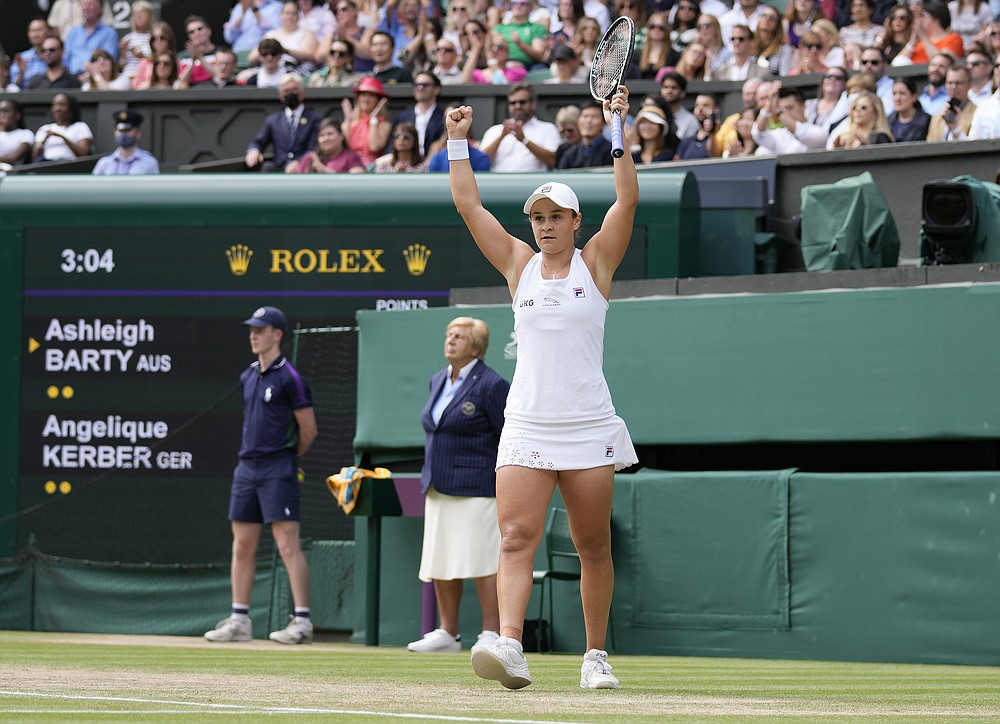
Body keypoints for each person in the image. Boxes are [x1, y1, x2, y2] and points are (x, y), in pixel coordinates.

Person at [447, 84, 638, 691]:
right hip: (528, 423)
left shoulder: (598, 262)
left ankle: (595, 657)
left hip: (587, 422)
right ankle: (509, 645)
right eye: (539, 217)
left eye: (557, 217)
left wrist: (617, 129)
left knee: (592, 545)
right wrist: (457, 142)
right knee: (515, 537)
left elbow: (627, 199)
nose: (547, 225)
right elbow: (469, 206)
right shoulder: (518, 263)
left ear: (576, 221)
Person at [204, 306, 318, 645]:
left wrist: (284, 459)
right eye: (251, 329)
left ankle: (302, 623)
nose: (253, 335)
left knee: (286, 544)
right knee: (242, 545)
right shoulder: (248, 376)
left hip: (277, 468)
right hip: (246, 468)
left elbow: (308, 431)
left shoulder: (291, 379)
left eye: (260, 329)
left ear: (277, 334)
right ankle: (239, 621)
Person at [405, 317, 508, 655]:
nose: (450, 341)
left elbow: (506, 437)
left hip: (478, 487)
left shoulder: (492, 384)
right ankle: (448, 633)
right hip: (437, 485)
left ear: (476, 347)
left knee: (482, 561)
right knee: (442, 559)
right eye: (448, 334)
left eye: (459, 337)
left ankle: (491, 631)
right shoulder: (437, 380)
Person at [246, 74, 323, 172]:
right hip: (279, 169)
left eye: (294, 90)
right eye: (286, 91)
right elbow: (259, 141)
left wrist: (299, 162)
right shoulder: (273, 120)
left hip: (304, 169)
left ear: (302, 93)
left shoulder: (315, 119)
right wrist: (254, 150)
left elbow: (313, 147)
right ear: (281, 96)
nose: (291, 93)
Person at [479, 83, 562, 172]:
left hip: (534, 183)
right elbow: (480, 161)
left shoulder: (548, 129)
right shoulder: (495, 130)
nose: (517, 106)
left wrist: (524, 140)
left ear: (533, 104)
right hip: (497, 183)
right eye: (513, 103)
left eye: (522, 102)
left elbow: (552, 160)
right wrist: (501, 137)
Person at [753, 84, 830, 154]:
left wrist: (778, 112)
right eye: (782, 109)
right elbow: (759, 134)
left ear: (804, 105)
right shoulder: (780, 135)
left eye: (790, 108)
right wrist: (769, 105)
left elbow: (801, 132)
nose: (786, 113)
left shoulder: (818, 131)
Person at [251, 1, 319, 73]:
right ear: (281, 16)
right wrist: (268, 52)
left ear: (299, 16)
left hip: (295, 70)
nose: (290, 17)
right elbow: (252, 59)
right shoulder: (270, 34)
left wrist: (284, 51)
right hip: (268, 69)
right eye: (287, 13)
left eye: (294, 13)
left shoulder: (306, 33)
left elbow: (310, 55)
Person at [341, 75, 391, 167]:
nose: (366, 99)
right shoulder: (352, 121)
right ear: (358, 98)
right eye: (363, 95)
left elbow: (374, 147)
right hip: (351, 165)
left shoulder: (384, 124)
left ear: (378, 100)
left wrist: (373, 119)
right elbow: (345, 148)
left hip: (372, 167)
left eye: (371, 96)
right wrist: (347, 119)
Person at [92, 109, 160, 175]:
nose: (123, 134)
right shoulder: (105, 162)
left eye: (128, 130)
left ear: (138, 133)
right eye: (120, 130)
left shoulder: (149, 162)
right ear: (115, 132)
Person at [392, 71, 444, 158]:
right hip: (406, 165)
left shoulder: (444, 116)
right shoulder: (402, 117)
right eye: (417, 85)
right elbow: (392, 145)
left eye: (425, 85)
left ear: (436, 89)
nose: (420, 88)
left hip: (435, 165)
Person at [287, 117, 366, 172]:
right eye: (322, 136)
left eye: (330, 134)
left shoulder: (351, 157)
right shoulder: (309, 158)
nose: (326, 138)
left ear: (341, 136)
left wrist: (323, 170)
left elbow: (355, 182)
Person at [427, 104, 492, 172]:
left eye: (454, 117)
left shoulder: (480, 158)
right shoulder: (437, 157)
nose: (450, 121)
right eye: (446, 118)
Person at [63, 0, 119, 78]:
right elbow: (65, 59)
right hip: (71, 78)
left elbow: (108, 61)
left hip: (96, 78)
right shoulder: (73, 32)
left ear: (100, 9)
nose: (86, 7)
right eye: (84, 4)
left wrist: (89, 75)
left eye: (90, 4)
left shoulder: (109, 33)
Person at [927, 64, 978, 141]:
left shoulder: (977, 112)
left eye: (959, 83)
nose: (954, 87)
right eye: (950, 83)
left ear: (970, 84)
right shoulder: (937, 118)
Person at [557, 102, 613, 169]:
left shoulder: (611, 151)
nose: (588, 121)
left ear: (603, 123)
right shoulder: (570, 153)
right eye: (585, 116)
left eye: (594, 117)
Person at [495, 0, 549, 67]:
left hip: (524, 64)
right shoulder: (500, 28)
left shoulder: (537, 28)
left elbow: (539, 55)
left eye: (523, 3)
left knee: (510, 65)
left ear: (531, 8)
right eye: (514, 3)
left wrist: (519, 43)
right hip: (500, 62)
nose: (518, 5)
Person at [675, 93, 723, 158]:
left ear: (716, 109)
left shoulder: (723, 135)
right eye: (697, 105)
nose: (699, 109)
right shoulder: (687, 141)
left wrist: (712, 133)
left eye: (705, 105)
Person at [633, 13, 680, 79]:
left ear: (667, 30)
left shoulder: (673, 55)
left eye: (661, 28)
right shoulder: (637, 54)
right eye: (653, 26)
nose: (656, 29)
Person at [178, 15, 221, 87]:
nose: (196, 33)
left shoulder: (221, 53)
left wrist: (200, 58)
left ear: (209, 30)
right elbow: (181, 83)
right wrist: (193, 60)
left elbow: (220, 77)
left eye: (200, 29)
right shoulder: (183, 58)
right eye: (192, 32)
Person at [131, 21, 175, 89]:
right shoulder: (145, 62)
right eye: (154, 39)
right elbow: (136, 87)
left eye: (162, 38)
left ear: (169, 40)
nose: (158, 41)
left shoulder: (175, 61)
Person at [12, 17, 52, 89]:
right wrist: (21, 73)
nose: (35, 34)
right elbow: (13, 87)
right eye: (32, 31)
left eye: (39, 30)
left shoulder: (56, 53)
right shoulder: (22, 58)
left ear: (48, 31)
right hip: (26, 97)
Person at [752, 6, 793, 77]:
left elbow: (784, 76)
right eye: (764, 15)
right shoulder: (748, 44)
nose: (767, 19)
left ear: (777, 24)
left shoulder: (783, 49)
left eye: (772, 18)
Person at [888, 77, 932, 142]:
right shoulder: (889, 121)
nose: (897, 98)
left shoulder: (926, 121)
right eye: (894, 93)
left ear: (914, 97)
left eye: (902, 93)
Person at [119, 1, 154, 80]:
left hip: (147, 76)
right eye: (135, 13)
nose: (138, 16)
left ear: (150, 15)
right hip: (128, 76)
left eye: (141, 12)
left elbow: (156, 59)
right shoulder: (128, 38)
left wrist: (141, 56)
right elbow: (122, 66)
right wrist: (123, 51)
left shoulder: (155, 36)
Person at [47, 0, 114, 41]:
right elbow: (53, 28)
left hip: (95, 46)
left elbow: (108, 24)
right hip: (64, 46)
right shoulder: (60, 3)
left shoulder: (99, 1)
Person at [659, 73, 699, 139]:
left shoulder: (690, 121)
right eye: (665, 87)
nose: (669, 91)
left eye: (674, 88)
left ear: (682, 93)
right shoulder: (654, 116)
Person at [969, 58, 1000, 138]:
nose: (999, 69)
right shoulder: (984, 106)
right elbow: (973, 143)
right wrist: (956, 129)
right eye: (997, 66)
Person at [858, 46, 895, 113]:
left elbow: (886, 113)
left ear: (885, 66)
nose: (868, 66)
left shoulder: (892, 87)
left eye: (874, 62)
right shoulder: (853, 86)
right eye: (864, 62)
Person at [0, 100, 34, 170]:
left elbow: (14, 157)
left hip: (12, 173)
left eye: (5, 111)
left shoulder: (26, 134)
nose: (2, 115)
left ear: (17, 115)